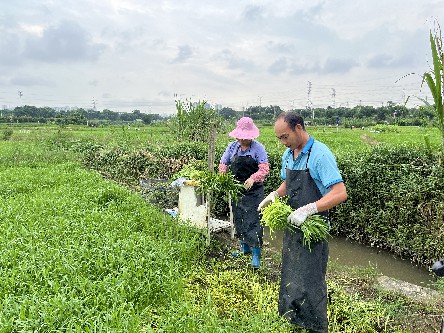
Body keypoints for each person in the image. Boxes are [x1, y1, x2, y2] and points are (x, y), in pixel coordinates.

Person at [258, 111, 347, 332]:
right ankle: (292, 318)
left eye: (284, 136)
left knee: (312, 280)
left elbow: (339, 192)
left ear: (299, 128)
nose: (282, 142)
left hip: (313, 231)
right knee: (292, 273)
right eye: (279, 138)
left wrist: (309, 209)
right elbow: (287, 184)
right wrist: (275, 195)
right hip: (293, 225)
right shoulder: (289, 155)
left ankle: (315, 326)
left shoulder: (320, 154)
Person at [219, 117, 269, 268]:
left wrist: (253, 178)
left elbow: (264, 168)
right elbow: (223, 163)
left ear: (251, 136)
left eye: (245, 138)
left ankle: (256, 255)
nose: (242, 140)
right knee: (239, 218)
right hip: (237, 189)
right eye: (240, 137)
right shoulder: (232, 147)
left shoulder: (258, 148)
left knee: (254, 220)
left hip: (253, 191)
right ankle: (244, 249)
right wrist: (222, 175)